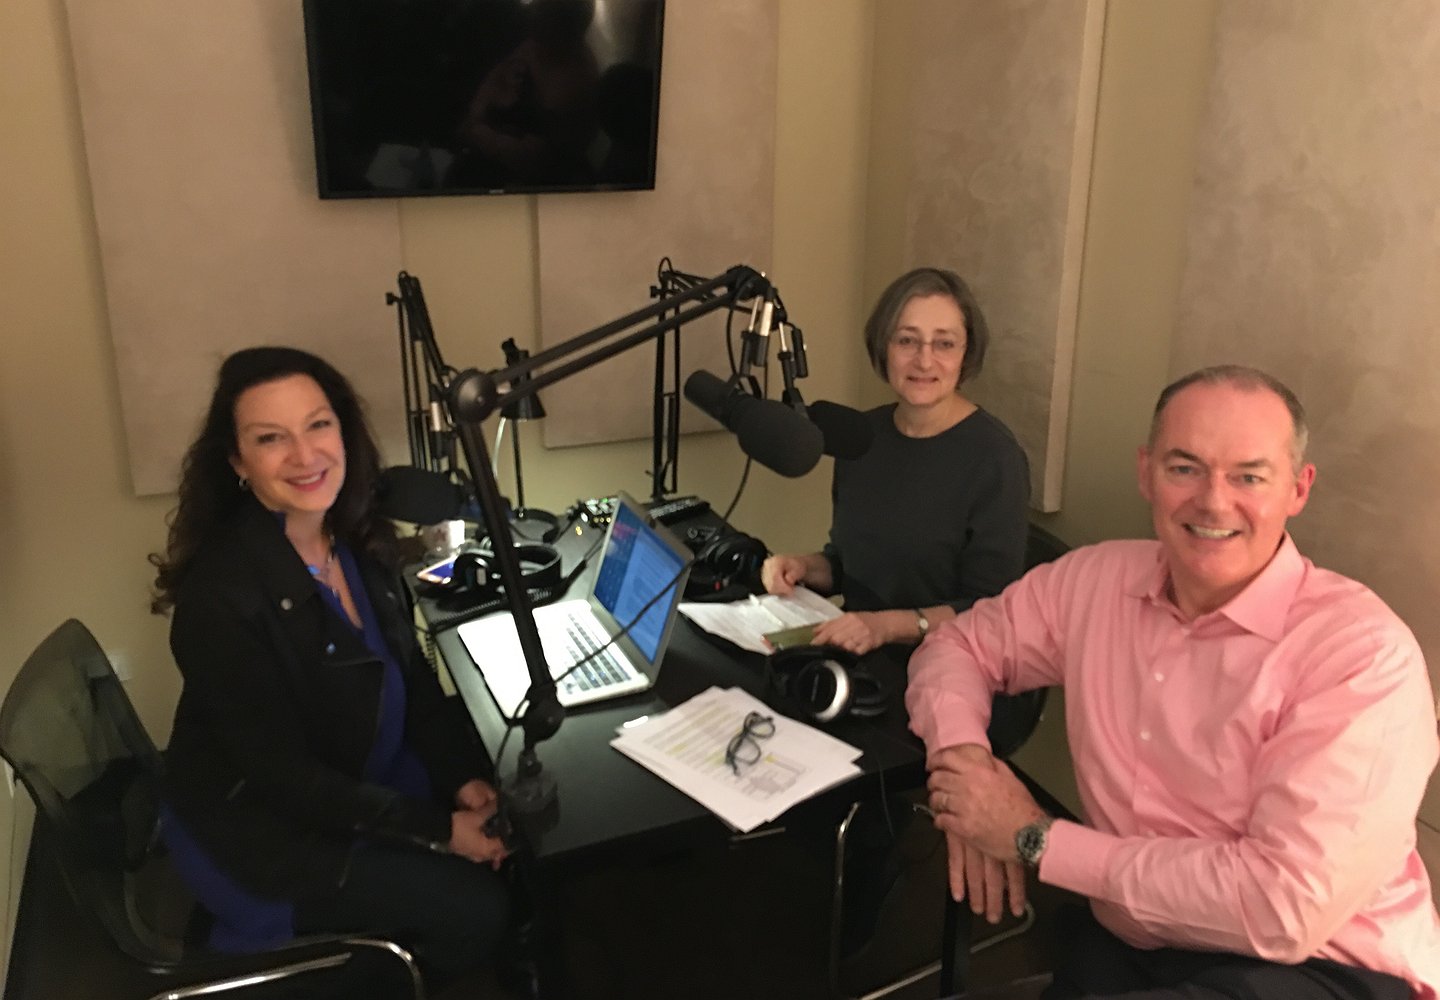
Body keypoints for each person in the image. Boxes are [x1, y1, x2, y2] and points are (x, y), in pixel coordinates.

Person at [909, 365, 1440, 999]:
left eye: (1249, 476)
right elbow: (957, 646)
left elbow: (1282, 909)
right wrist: (967, 771)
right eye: (1185, 468)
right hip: (1136, 940)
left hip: (1321, 966)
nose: (1214, 501)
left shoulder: (1361, 654)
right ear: (1146, 472)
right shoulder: (1094, 581)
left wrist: (1035, 840)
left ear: (1298, 489)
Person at [150, 347, 509, 995]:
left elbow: (413, 681)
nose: (304, 454)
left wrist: (463, 777)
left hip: (351, 774)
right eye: (271, 438)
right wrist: (438, 832)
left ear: (344, 432)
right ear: (237, 462)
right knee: (478, 910)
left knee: (506, 814)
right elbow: (286, 780)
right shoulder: (220, 599)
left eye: (318, 425)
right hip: (267, 831)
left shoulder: (356, 539)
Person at [762, 266, 1031, 655]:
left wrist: (887, 626)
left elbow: (990, 610)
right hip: (855, 650)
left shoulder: (996, 459)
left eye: (944, 343)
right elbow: (851, 564)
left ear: (966, 353)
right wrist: (803, 567)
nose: (924, 361)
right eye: (907, 340)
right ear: (883, 347)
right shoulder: (861, 435)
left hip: (946, 665)